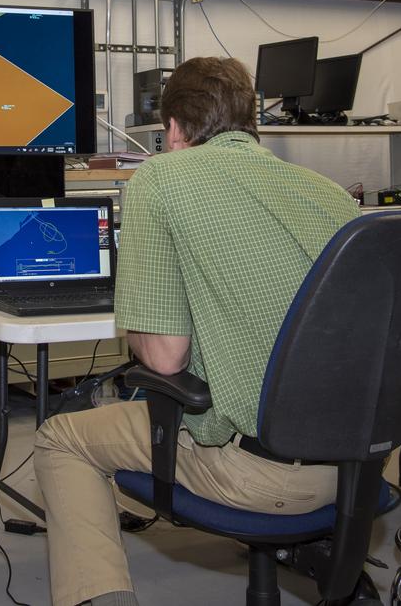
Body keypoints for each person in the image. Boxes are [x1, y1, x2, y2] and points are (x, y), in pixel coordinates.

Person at [33, 56, 361, 606]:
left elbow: (164, 360)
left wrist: (147, 307)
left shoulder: (162, 176)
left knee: (60, 439)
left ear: (175, 131)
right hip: (358, 465)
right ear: (249, 121)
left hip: (263, 472)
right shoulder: (326, 191)